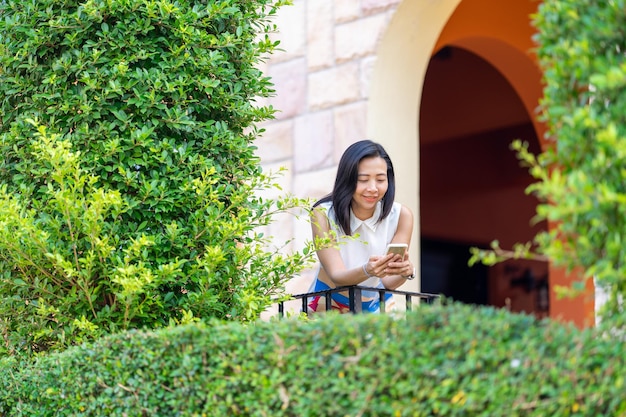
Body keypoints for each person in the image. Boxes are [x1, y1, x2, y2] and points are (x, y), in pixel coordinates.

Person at [307, 139, 416, 313]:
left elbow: (387, 281)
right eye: (363, 180)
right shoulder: (323, 214)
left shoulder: (401, 216)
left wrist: (405, 272)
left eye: (380, 180)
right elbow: (337, 277)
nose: (373, 188)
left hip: (375, 306)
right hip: (328, 305)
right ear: (347, 179)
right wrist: (368, 270)